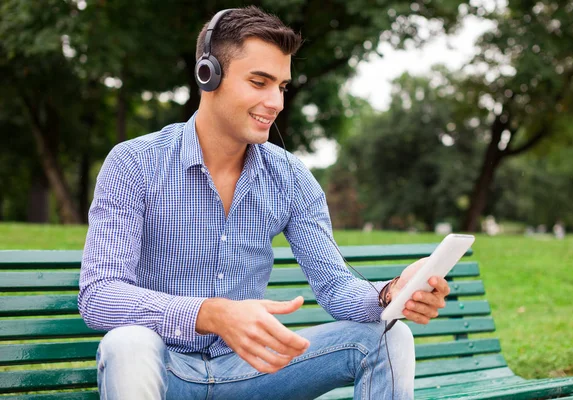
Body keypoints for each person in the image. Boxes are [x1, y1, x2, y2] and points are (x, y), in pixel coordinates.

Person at [78, 6, 450, 400]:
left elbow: (336, 287)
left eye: (282, 86)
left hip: (251, 371)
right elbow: (100, 294)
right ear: (209, 75)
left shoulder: (290, 176)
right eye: (259, 82)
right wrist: (210, 314)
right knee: (127, 344)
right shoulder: (134, 163)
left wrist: (390, 293)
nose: (276, 102)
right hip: (165, 370)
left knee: (390, 338)